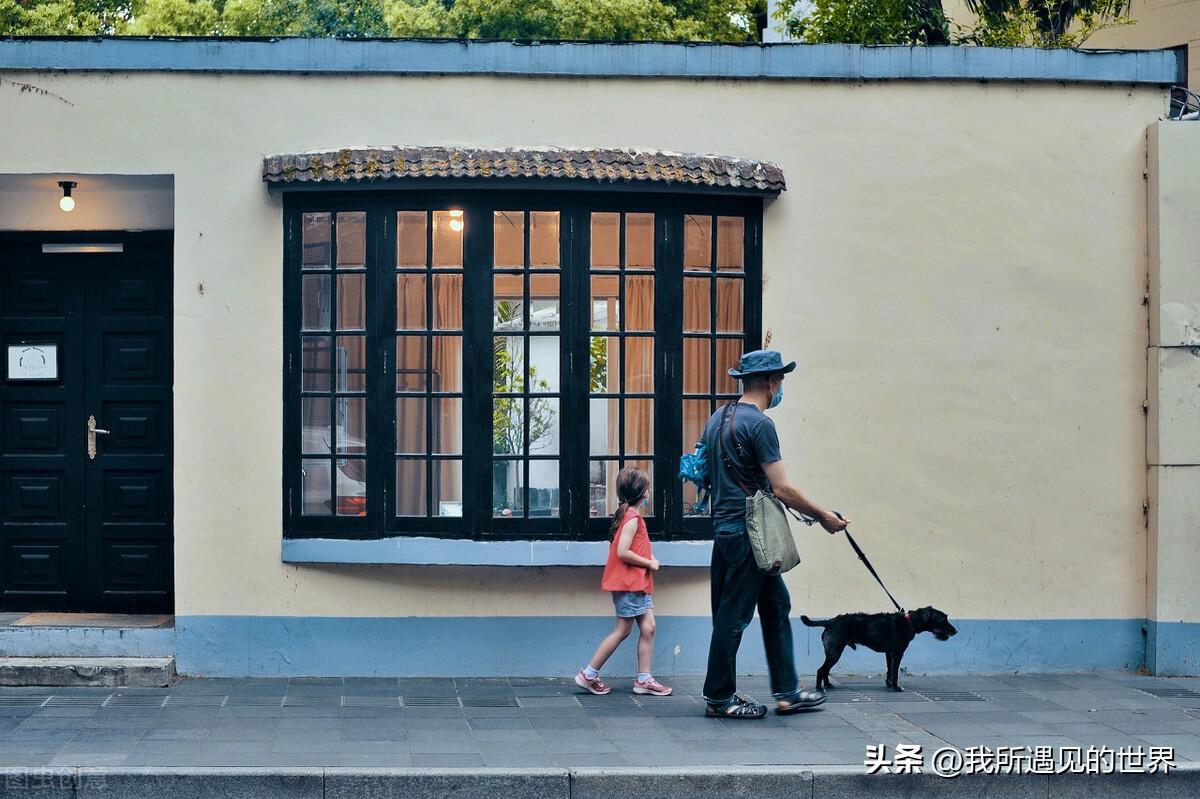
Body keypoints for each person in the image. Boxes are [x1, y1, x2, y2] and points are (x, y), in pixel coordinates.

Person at [701, 349, 849, 719]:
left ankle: (787, 692)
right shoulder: (761, 425)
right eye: (780, 380)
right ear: (771, 382)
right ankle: (719, 698)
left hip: (728, 530)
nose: (780, 387)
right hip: (752, 536)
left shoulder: (718, 418)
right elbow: (781, 488)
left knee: (774, 605)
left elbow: (703, 474)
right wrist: (823, 516)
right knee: (733, 618)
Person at [575, 467, 673, 697]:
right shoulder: (632, 518)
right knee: (622, 630)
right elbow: (622, 551)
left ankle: (644, 679)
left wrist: (648, 560)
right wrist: (649, 562)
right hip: (630, 584)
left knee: (648, 628)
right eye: (647, 489)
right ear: (643, 493)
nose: (649, 493)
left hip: (636, 584)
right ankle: (589, 674)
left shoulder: (627, 514)